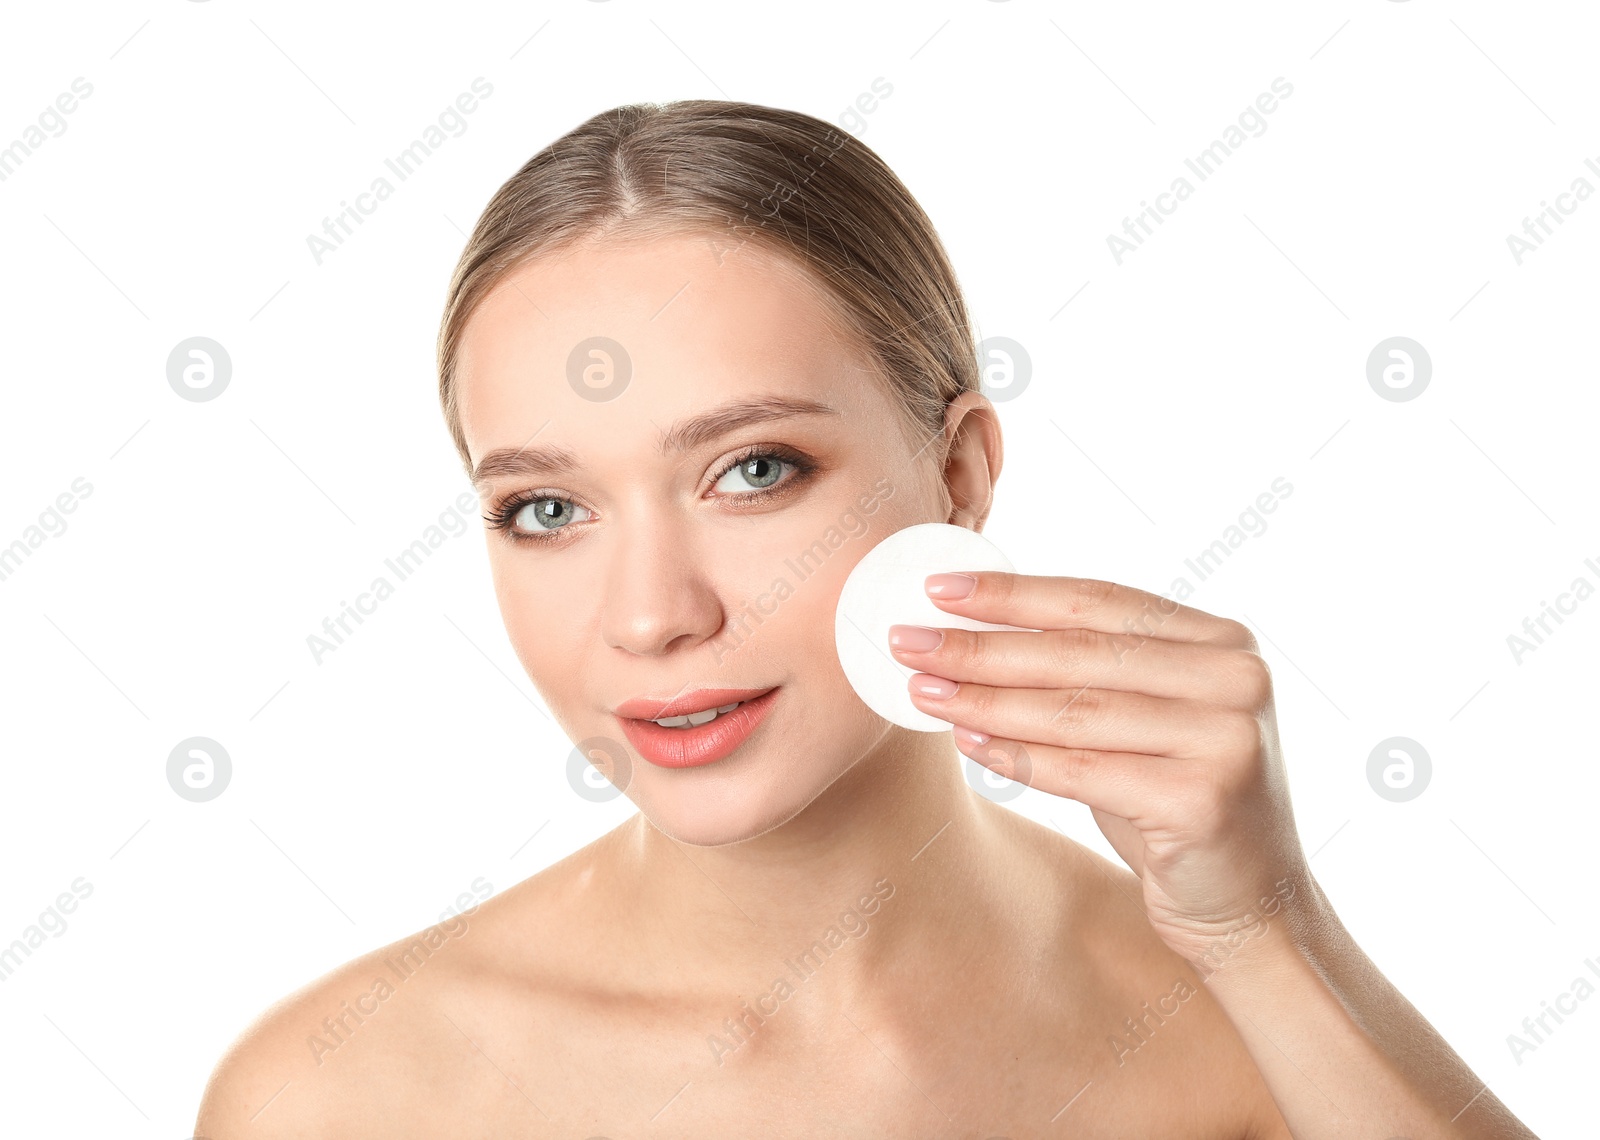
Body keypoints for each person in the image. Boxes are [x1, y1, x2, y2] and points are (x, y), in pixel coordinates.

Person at [196, 100, 1534, 1138]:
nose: (654, 617)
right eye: (546, 510)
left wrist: (1263, 937)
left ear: (957, 476)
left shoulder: (1237, 1026)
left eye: (753, 471)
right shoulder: (341, 1095)